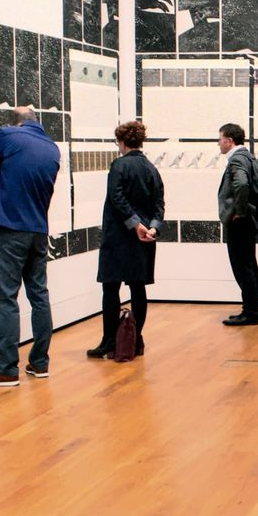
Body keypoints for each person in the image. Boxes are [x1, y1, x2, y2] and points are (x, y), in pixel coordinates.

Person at [0, 107, 61, 387]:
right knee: (39, 295)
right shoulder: (52, 148)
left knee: (6, 298)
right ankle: (40, 362)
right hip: (38, 230)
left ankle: (6, 368)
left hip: (11, 228)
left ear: (16, 123)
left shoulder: (8, 135)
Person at [88, 121, 164, 359]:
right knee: (138, 288)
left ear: (121, 142)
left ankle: (109, 341)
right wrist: (152, 228)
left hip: (118, 237)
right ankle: (135, 340)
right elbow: (159, 203)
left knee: (111, 288)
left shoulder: (119, 165)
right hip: (143, 239)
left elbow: (117, 198)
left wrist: (135, 224)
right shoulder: (151, 168)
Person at [217, 123, 258, 326]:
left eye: (220, 139)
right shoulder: (248, 157)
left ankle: (250, 312)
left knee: (243, 266)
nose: (219, 143)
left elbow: (242, 184)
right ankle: (253, 309)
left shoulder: (236, 160)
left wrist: (239, 212)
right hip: (250, 220)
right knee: (249, 264)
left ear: (229, 140)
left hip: (241, 223)